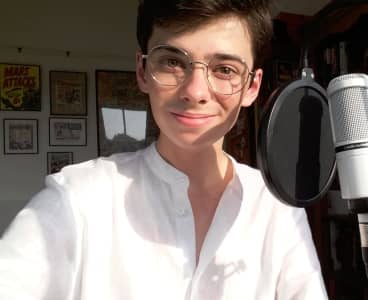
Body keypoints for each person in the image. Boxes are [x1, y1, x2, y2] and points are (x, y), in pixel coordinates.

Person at [0, 0, 328, 299]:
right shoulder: (77, 201)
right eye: (172, 62)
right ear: (143, 71)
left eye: (224, 69)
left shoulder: (277, 209)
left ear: (251, 86)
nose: (195, 91)